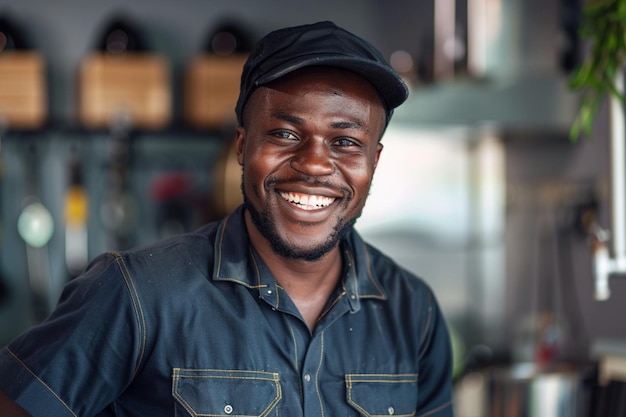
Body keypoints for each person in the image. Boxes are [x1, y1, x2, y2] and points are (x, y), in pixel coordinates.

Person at [0, 21, 454, 416]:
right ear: (242, 146)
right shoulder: (135, 294)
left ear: (373, 161)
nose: (315, 164)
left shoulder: (414, 311)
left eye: (346, 142)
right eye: (284, 134)